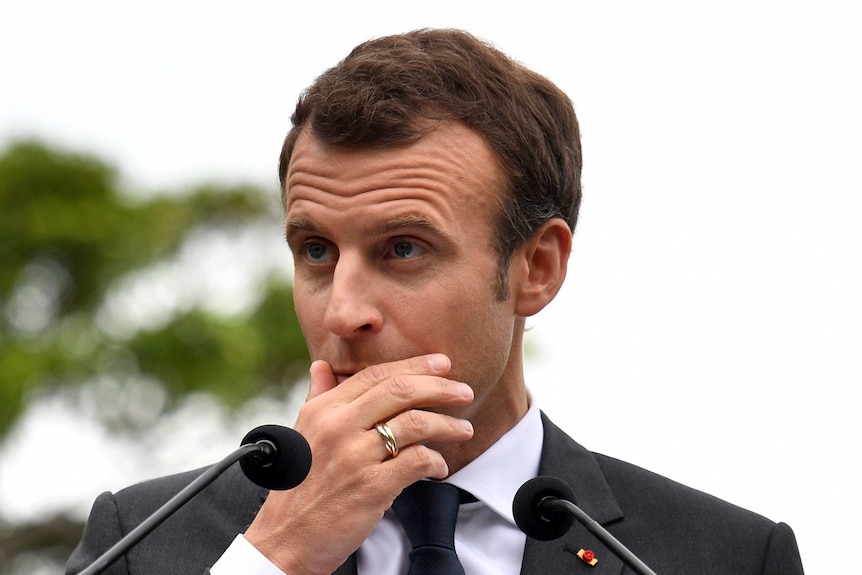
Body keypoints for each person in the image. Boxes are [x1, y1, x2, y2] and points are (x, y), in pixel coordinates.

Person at [66, 28, 805, 575]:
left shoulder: (726, 555)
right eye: (316, 250)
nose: (342, 311)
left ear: (537, 267)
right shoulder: (143, 539)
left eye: (403, 248)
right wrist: (276, 556)